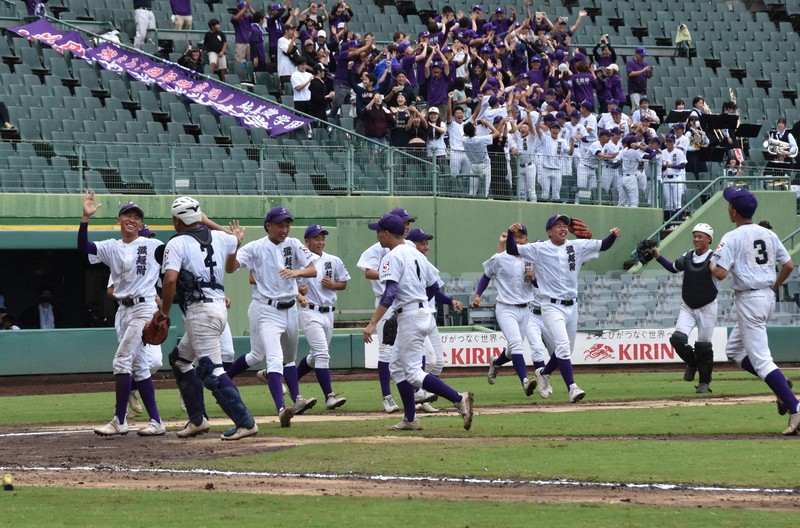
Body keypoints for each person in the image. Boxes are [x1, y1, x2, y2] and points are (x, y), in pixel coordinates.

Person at [362, 213, 474, 431]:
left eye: (379, 231)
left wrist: (373, 322)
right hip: (421, 313)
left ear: (387, 233)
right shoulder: (416, 253)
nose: (377, 235)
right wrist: (417, 301)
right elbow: (434, 286)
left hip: (410, 316)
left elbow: (389, 293)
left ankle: (459, 398)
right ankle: (410, 418)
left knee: (413, 373)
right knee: (397, 367)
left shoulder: (391, 256)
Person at [160, 197, 258, 441]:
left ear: (177, 220)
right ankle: (197, 420)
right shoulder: (222, 238)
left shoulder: (177, 243)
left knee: (212, 372)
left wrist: (163, 312)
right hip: (218, 308)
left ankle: (246, 423)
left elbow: (170, 280)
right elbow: (234, 242)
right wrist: (208, 221)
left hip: (200, 312)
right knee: (180, 361)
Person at [709, 187, 800, 435]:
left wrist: (711, 264)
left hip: (750, 298)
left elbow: (720, 273)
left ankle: (795, 408)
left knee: (761, 360)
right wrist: (774, 286)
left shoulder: (732, 237)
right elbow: (788, 265)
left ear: (734, 211)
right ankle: (780, 383)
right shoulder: (767, 233)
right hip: (766, 296)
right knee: (734, 350)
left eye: (729, 204)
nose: (728, 207)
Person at [507, 215, 621, 403]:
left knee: (567, 348)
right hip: (551, 305)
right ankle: (572, 388)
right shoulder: (539, 248)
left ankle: (544, 373)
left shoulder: (576, 246)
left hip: (572, 306)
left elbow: (603, 245)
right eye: (558, 225)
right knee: (562, 346)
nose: (563, 228)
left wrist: (613, 236)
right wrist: (510, 233)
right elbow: (512, 249)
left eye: (565, 225)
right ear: (549, 232)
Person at [77, 194, 165, 436]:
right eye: (127, 215)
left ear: (141, 224)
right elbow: (83, 246)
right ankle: (157, 422)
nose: (132, 219)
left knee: (121, 360)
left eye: (137, 217)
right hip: (123, 311)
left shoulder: (154, 246)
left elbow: (175, 266)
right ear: (119, 220)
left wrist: (165, 306)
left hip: (144, 308)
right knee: (140, 367)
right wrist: (85, 218)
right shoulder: (111, 246)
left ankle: (119, 420)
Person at [225, 206, 318, 426]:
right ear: (268, 226)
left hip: (290, 309)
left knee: (288, 359)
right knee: (272, 358)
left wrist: (297, 273)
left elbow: (312, 269)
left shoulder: (293, 244)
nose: (284, 229)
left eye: (287, 225)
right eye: (280, 225)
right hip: (266, 309)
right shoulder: (256, 247)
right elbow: (230, 268)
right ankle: (281, 409)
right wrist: (234, 245)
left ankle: (296, 399)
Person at [356, 207, 415, 414]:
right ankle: (387, 397)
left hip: (405, 303)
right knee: (386, 350)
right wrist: (389, 274)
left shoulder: (409, 246)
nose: (407, 226)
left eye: (408, 223)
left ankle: (417, 394)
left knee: (415, 350)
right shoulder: (377, 248)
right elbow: (368, 272)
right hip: (385, 302)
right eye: (404, 222)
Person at [649, 223, 719, 393]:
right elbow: (673, 268)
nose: (696, 239)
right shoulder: (687, 256)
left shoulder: (715, 257)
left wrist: (716, 268)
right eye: (694, 236)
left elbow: (723, 274)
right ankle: (693, 363)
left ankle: (704, 383)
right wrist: (657, 256)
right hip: (688, 306)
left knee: (704, 347)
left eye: (700, 236)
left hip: (707, 306)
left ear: (709, 239)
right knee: (677, 339)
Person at [475, 227, 537, 397]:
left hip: (525, 309)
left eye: (521, 237)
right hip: (506, 308)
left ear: (526, 239)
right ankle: (525, 382)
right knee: (517, 344)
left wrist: (533, 278)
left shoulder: (532, 258)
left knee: (511, 350)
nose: (518, 240)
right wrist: (478, 294)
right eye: (514, 237)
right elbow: (486, 275)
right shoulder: (500, 258)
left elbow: (540, 285)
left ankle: (496, 363)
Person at [406, 227, 463, 412]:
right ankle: (417, 395)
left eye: (427, 243)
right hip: (416, 317)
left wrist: (450, 301)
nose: (426, 246)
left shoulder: (425, 263)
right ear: (411, 244)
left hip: (429, 315)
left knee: (438, 362)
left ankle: (423, 398)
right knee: (428, 361)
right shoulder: (407, 262)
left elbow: (435, 290)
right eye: (422, 243)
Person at [293, 224, 349, 410]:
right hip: (310, 311)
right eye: (316, 238)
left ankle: (290, 378)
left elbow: (343, 283)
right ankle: (329, 397)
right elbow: (289, 286)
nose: (320, 242)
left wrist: (333, 285)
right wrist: (299, 292)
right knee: (322, 354)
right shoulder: (300, 263)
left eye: (322, 238)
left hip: (329, 312)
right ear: (307, 241)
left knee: (314, 357)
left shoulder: (333, 260)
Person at [462, 118, 504, 197]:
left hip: (473, 165)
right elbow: (497, 133)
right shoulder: (481, 139)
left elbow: (465, 134)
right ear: (474, 130)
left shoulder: (464, 140)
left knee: (472, 191)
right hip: (484, 165)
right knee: (485, 191)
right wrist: (487, 123)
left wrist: (471, 127)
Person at [661, 133, 687, 222]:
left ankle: (678, 223)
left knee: (677, 202)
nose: (669, 143)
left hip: (676, 178)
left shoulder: (679, 152)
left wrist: (672, 166)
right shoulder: (663, 152)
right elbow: (660, 168)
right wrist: (665, 166)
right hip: (666, 178)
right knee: (668, 203)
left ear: (674, 142)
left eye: (670, 141)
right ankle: (668, 224)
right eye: (667, 141)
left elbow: (682, 165)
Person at [291, 58, 314, 137]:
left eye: (305, 64)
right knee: (299, 120)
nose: (304, 66)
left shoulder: (309, 74)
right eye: (302, 65)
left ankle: (310, 134)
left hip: (309, 99)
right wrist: (308, 81)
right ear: (298, 65)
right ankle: (298, 136)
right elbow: (298, 88)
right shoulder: (294, 75)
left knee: (310, 119)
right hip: (299, 100)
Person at [626, 47, 652, 112]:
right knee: (636, 108)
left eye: (643, 56)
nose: (642, 57)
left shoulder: (644, 64)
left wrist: (650, 72)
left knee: (644, 109)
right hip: (634, 89)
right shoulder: (631, 63)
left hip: (643, 90)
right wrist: (643, 70)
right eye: (641, 55)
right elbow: (630, 74)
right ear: (636, 54)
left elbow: (649, 76)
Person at [232, 0, 254, 65]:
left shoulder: (247, 17)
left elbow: (257, 16)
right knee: (240, 63)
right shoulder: (234, 17)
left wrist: (249, 7)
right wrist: (245, 7)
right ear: (238, 9)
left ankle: (246, 72)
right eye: (243, 8)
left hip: (248, 42)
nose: (245, 10)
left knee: (248, 63)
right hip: (240, 42)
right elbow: (236, 18)